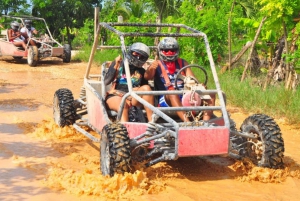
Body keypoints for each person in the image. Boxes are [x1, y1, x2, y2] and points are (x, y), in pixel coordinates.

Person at [145, 37, 215, 122]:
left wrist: (200, 86)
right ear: (161, 51)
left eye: (172, 50)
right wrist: (151, 69)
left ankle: (206, 123)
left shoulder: (182, 62)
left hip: (185, 95)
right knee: (172, 93)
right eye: (166, 51)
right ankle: (187, 123)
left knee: (211, 93)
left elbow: (192, 80)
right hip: (166, 99)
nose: (169, 53)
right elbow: (147, 77)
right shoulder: (157, 64)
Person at [104, 42, 154, 122]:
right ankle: (125, 130)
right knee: (122, 104)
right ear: (131, 52)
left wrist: (136, 90)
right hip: (115, 96)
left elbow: (144, 90)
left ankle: (152, 124)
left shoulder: (142, 71)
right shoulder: (119, 64)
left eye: (141, 56)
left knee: (147, 88)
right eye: (136, 53)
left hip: (132, 97)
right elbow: (106, 81)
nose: (138, 57)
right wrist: (114, 65)